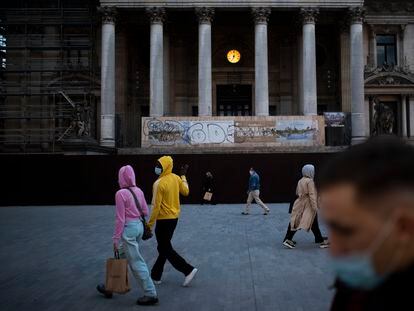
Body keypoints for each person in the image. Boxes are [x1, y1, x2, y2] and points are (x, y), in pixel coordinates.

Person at [318, 136, 414, 311]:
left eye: (347, 231)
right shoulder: (353, 289)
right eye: (330, 228)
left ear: (404, 228)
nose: (333, 250)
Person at [97, 165, 158, 306]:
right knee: (122, 255)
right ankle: (110, 286)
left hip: (128, 230)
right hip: (138, 228)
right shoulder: (139, 191)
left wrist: (115, 238)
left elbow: (120, 219)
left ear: (121, 177)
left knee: (136, 261)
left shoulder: (120, 194)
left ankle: (150, 293)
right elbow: (145, 211)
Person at [148, 156, 198, 287]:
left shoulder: (158, 183)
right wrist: (183, 176)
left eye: (159, 166)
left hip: (163, 220)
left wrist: (149, 225)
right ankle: (155, 275)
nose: (157, 168)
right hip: (174, 219)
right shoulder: (176, 178)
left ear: (165, 167)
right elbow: (186, 192)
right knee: (164, 247)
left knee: (164, 247)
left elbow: (155, 206)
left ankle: (188, 270)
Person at [282, 164, 329, 249]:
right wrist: (315, 207)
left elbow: (297, 192)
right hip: (308, 204)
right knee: (299, 221)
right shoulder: (310, 181)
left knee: (311, 221)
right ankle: (287, 239)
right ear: (310, 171)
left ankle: (318, 238)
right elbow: (312, 195)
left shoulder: (301, 180)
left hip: (300, 202)